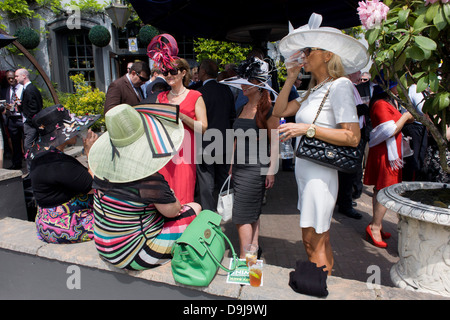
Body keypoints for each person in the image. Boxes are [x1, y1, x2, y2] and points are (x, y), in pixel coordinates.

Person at [274, 13, 368, 274]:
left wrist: (307, 128)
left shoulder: (339, 86)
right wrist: (291, 78)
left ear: (327, 55)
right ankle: (325, 282)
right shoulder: (314, 90)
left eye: (308, 51)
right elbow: (278, 111)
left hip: (320, 172)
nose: (303, 56)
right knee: (318, 240)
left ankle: (317, 284)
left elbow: (353, 137)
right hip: (307, 172)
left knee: (312, 240)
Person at [88, 103, 201, 270]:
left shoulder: (103, 170)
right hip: (133, 252)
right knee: (195, 207)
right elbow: (174, 210)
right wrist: (170, 194)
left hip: (104, 246)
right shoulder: (149, 181)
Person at [221, 56, 279, 259]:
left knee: (242, 215)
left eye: (248, 82)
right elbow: (236, 139)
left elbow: (275, 142)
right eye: (242, 82)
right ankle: (252, 254)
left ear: (259, 84)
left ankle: (244, 259)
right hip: (239, 167)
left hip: (256, 169)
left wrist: (271, 170)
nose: (243, 86)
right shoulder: (242, 107)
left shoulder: (268, 110)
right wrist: (230, 165)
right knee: (252, 212)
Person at [28, 105, 100, 244]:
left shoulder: (43, 157)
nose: (77, 132)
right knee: (119, 222)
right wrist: (90, 152)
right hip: (64, 226)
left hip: (45, 223)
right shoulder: (59, 163)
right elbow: (93, 185)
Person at [363, 82, 414, 248]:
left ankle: (377, 224)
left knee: (382, 189)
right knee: (383, 188)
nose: (402, 88)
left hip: (389, 153)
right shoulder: (380, 104)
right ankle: (375, 226)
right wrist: (405, 117)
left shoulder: (391, 102)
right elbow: (388, 130)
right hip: (385, 154)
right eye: (398, 84)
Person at [156, 57, 208, 204]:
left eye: (173, 71)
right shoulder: (161, 97)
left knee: (183, 199)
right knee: (164, 199)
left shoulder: (195, 96)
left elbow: (203, 127)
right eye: (165, 72)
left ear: (183, 72)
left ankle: (185, 227)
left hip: (185, 155)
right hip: (164, 154)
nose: (169, 75)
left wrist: (182, 117)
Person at [196, 59, 236, 211]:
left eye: (199, 69)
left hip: (204, 142)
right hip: (224, 141)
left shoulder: (199, 93)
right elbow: (232, 115)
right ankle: (226, 209)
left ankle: (208, 212)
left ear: (204, 72)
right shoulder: (226, 90)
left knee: (206, 180)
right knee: (224, 177)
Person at [15, 68, 43, 171]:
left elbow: (34, 108)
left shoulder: (30, 89)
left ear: (24, 76)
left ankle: (32, 171)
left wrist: (29, 121)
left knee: (28, 147)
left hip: (31, 125)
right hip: (31, 123)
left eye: (17, 76)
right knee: (30, 146)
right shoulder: (29, 89)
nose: (15, 78)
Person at [4, 70, 24, 170]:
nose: (11, 80)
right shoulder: (8, 90)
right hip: (12, 118)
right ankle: (17, 163)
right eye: (9, 79)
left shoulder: (23, 88)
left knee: (27, 141)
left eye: (13, 78)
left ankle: (31, 162)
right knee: (15, 142)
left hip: (22, 118)